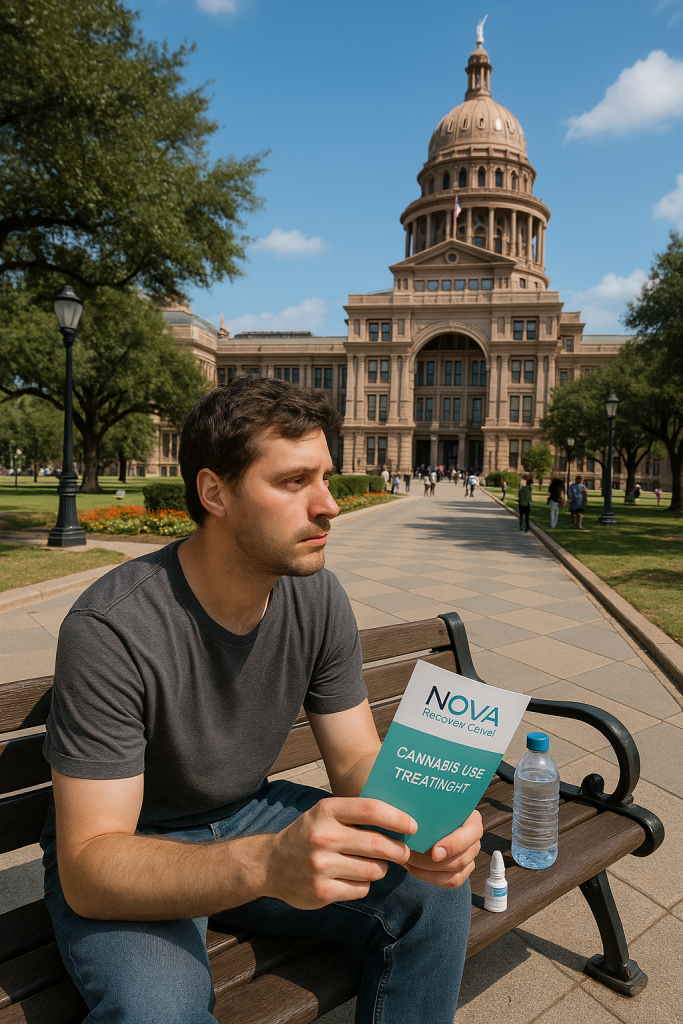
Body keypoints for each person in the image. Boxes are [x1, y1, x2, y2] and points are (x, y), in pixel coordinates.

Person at [40, 377, 481, 1024]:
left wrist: (423, 818)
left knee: (434, 894)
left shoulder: (317, 596)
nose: (328, 505)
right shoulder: (112, 628)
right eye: (293, 482)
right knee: (160, 1013)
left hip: (245, 811)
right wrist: (267, 864)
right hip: (131, 844)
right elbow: (87, 864)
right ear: (214, 492)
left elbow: (356, 754)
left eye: (326, 478)